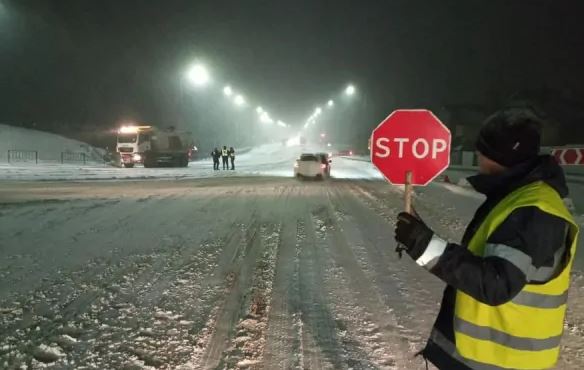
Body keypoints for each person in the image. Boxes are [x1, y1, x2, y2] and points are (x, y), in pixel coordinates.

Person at [394, 107, 579, 370]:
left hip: (503, 359)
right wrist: (423, 236)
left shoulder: (532, 210)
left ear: (501, 156)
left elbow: (497, 284)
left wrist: (425, 245)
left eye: (484, 150)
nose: (478, 155)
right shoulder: (518, 197)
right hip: (488, 355)